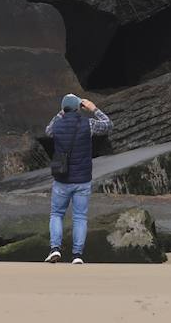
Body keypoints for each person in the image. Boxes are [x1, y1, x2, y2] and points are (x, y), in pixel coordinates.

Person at [44, 93, 112, 264]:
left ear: (63, 109)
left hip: (62, 179)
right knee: (80, 217)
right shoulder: (88, 124)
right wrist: (94, 108)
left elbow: (48, 131)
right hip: (82, 179)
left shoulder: (57, 125)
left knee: (56, 214)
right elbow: (108, 125)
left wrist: (61, 112)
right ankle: (77, 255)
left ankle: (55, 249)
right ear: (79, 108)